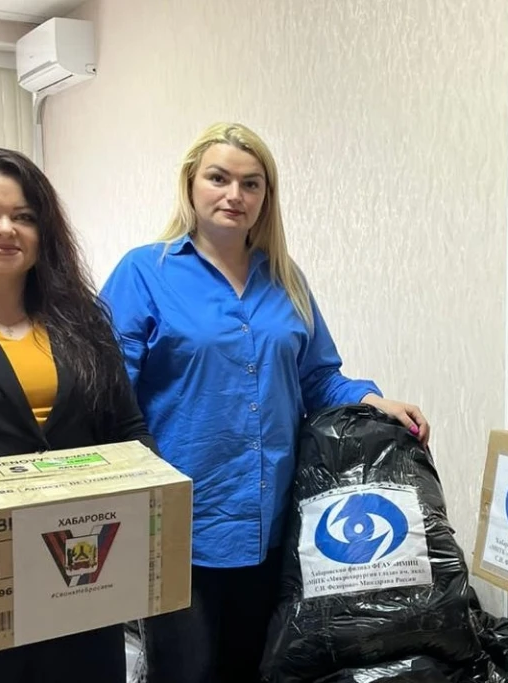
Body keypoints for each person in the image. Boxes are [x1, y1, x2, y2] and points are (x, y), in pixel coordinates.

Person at [99, 122, 430, 683]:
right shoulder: (145, 272)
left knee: (252, 671)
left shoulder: (284, 278)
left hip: (268, 526)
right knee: (185, 673)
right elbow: (109, 395)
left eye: (251, 184)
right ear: (191, 184)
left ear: (265, 197)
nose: (234, 195)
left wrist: (375, 400)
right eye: (218, 178)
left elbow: (318, 378)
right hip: (180, 527)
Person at [0, 146, 157, 683]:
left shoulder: (81, 319)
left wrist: (151, 518)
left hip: (82, 567)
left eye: (24, 216)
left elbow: (126, 431)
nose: (6, 229)